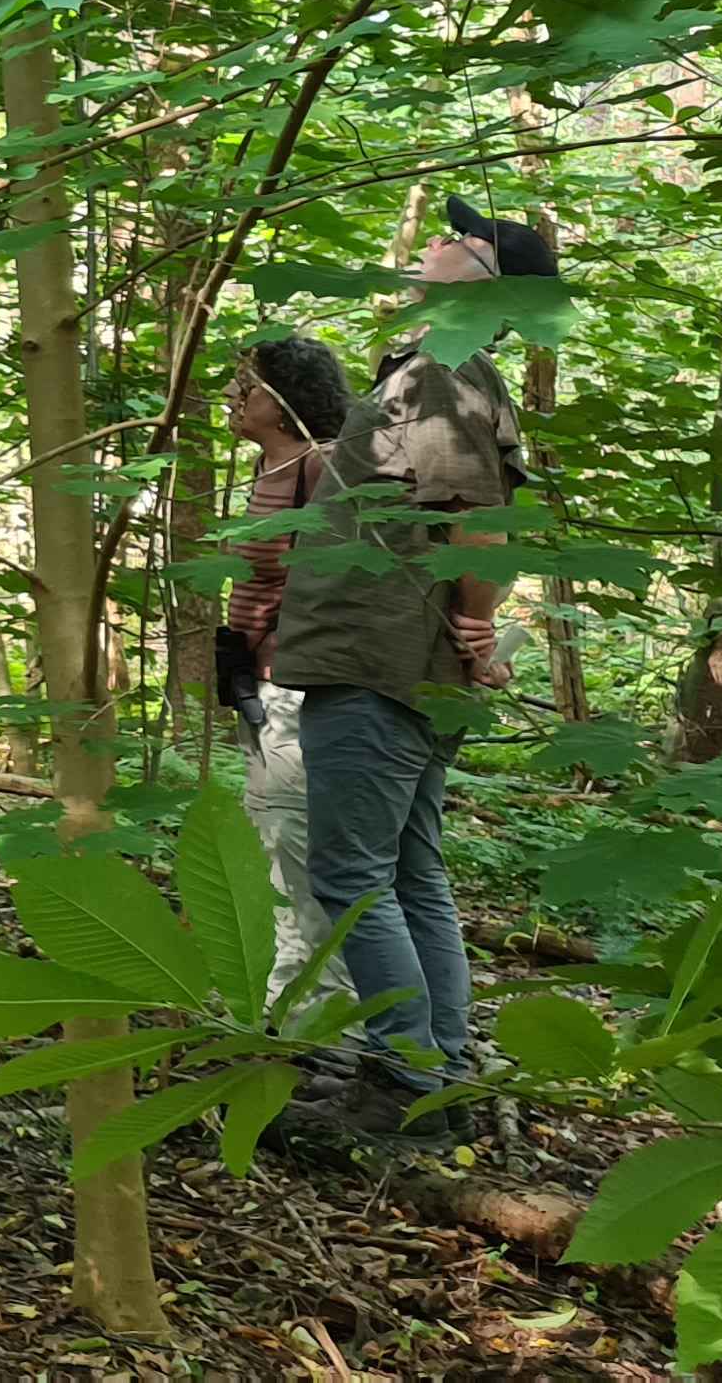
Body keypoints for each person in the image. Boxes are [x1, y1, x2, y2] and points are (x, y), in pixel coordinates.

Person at [269, 196, 545, 1120]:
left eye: (456, 236)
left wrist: (475, 626)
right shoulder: (436, 369)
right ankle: (439, 1061)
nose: (431, 238)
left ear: (489, 279)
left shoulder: (443, 370)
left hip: (379, 662)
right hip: (393, 661)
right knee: (409, 871)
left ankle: (406, 1078)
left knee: (352, 874)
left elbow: (478, 518)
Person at [220, 333, 357, 1010]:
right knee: (268, 844)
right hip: (258, 682)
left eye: (247, 380)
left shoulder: (326, 466)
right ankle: (287, 1007)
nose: (232, 394)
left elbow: (333, 578)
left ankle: (320, 1019)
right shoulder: (269, 471)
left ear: (282, 397)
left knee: (295, 849)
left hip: (299, 684)